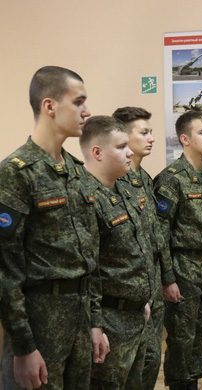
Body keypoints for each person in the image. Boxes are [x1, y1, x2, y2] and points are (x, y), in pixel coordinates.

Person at [0, 66, 109, 390]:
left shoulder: (76, 171)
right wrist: (23, 347)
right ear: (50, 106)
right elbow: (6, 270)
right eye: (78, 102)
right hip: (39, 322)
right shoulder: (16, 173)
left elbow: (89, 256)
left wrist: (95, 323)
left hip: (79, 320)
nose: (87, 111)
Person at [153, 111, 202, 390]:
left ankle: (194, 380)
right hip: (183, 266)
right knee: (182, 336)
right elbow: (161, 233)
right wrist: (168, 278)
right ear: (184, 139)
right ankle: (180, 385)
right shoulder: (171, 179)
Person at [80, 116, 153, 389]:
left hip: (135, 314)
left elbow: (134, 253)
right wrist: (95, 325)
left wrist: (141, 298)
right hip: (110, 321)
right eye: (121, 147)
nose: (130, 152)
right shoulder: (85, 197)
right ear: (97, 152)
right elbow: (90, 269)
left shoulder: (124, 189)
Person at [112, 106, 166, 390]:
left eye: (151, 132)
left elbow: (156, 236)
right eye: (144, 133)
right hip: (128, 291)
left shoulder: (144, 179)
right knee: (128, 366)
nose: (151, 138)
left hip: (152, 283)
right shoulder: (112, 182)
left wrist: (166, 279)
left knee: (151, 358)